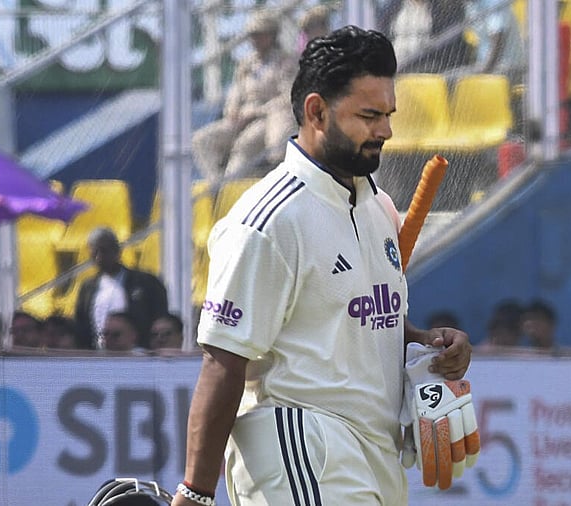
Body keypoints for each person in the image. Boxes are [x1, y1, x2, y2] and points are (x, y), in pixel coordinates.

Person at [172, 26, 471, 506]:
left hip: (373, 454)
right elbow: (223, 361)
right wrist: (195, 494)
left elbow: (357, 317)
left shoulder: (378, 208)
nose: (386, 130)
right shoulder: (267, 221)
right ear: (316, 111)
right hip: (299, 444)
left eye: (388, 115)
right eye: (369, 115)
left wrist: (425, 342)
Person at [191, 8, 298, 187]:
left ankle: (231, 187)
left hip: (267, 118)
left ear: (271, 35)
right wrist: (232, 110)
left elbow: (288, 98)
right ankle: (216, 186)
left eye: (259, 35)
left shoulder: (285, 62)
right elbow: (236, 92)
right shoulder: (246, 64)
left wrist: (255, 112)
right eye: (252, 35)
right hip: (241, 117)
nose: (254, 40)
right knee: (201, 140)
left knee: (244, 145)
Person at [73, 227, 168, 350]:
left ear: (117, 251)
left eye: (104, 251)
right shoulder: (87, 288)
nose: (99, 257)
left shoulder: (145, 282)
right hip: (99, 355)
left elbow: (160, 317)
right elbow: (81, 323)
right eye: (94, 252)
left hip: (139, 354)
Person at [384, 0, 472, 73]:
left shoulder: (444, 10)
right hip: (393, 64)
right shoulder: (393, 7)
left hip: (427, 67)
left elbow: (448, 47)